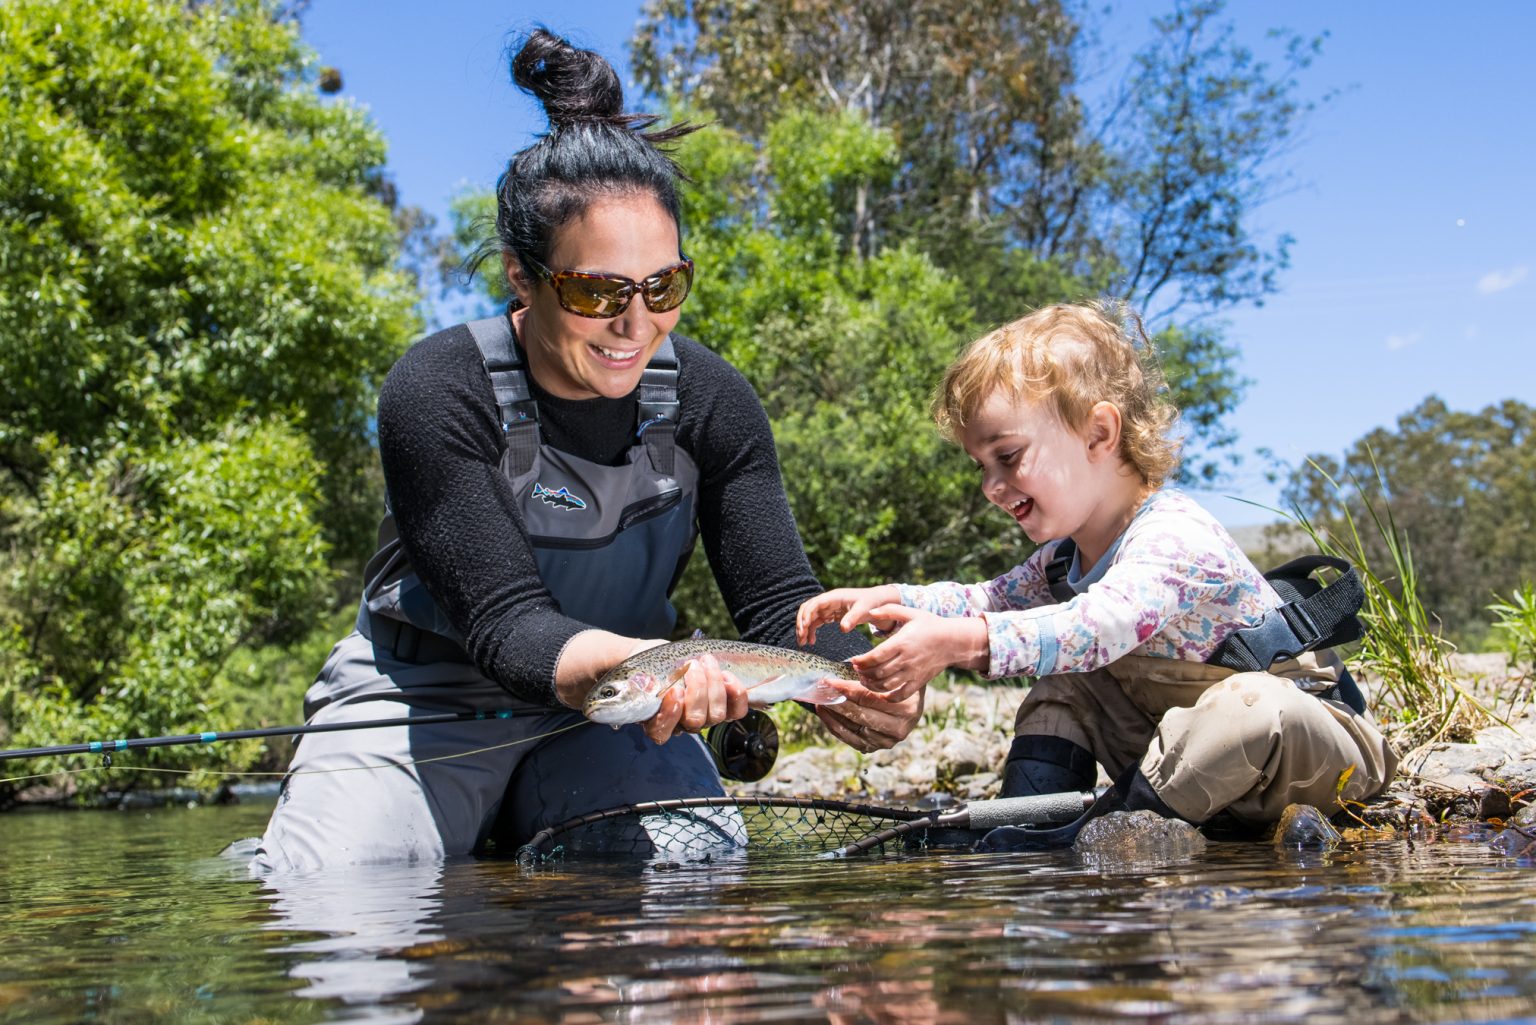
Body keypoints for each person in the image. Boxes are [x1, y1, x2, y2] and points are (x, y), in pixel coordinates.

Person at [253, 29, 918, 873]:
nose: (634, 324)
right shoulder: (436, 390)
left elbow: (779, 606)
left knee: (688, 876)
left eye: (663, 286)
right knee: (334, 901)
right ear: (521, 278)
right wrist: (663, 667)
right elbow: (505, 623)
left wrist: (867, 677)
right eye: (597, 290)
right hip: (427, 696)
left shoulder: (715, 402)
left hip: (627, 705)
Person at [796, 301, 1398, 847]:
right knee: (1065, 688)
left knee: (1250, 703)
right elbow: (989, 598)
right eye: (980, 466)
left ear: (1099, 433)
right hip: (1189, 768)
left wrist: (961, 645)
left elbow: (1100, 624)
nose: (990, 487)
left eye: (1007, 457)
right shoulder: (1065, 556)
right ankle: (1026, 827)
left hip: (1306, 752)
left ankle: (1106, 834)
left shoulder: (1173, 536)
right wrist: (891, 598)